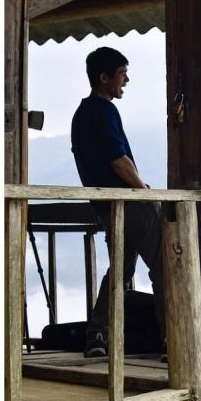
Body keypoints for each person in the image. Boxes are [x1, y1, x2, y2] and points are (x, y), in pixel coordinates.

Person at [70, 47, 165, 358]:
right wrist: (145, 192)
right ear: (104, 77)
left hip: (105, 206)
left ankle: (97, 334)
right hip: (129, 202)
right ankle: (171, 337)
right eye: (122, 74)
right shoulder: (105, 110)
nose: (127, 80)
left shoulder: (80, 114)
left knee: (120, 272)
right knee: (163, 269)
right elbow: (117, 160)